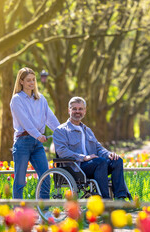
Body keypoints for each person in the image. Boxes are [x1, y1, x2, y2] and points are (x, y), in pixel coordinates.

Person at [53, 97, 127, 199]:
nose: (77, 111)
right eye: (74, 109)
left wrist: (109, 154)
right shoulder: (61, 130)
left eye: (80, 109)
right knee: (100, 162)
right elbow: (62, 152)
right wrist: (83, 157)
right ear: (69, 110)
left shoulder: (87, 130)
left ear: (85, 111)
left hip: (94, 164)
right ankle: (106, 200)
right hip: (76, 168)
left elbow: (98, 148)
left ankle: (121, 198)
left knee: (117, 160)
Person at [10, 67, 60, 200]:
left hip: (37, 144)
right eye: (28, 80)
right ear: (21, 81)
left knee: (45, 176)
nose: (31, 83)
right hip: (22, 143)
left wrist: (61, 132)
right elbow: (25, 121)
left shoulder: (41, 99)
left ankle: (44, 210)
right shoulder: (17, 99)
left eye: (33, 80)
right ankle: (18, 212)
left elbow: (50, 118)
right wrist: (37, 135)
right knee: (20, 181)